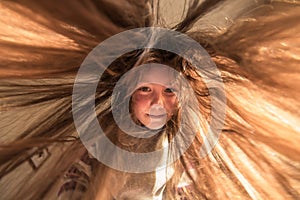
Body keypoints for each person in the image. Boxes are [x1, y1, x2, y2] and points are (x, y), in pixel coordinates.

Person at [0, 0, 299, 199]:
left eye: (169, 91)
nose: (158, 103)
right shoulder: (94, 149)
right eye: (146, 90)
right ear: (127, 94)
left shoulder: (192, 156)